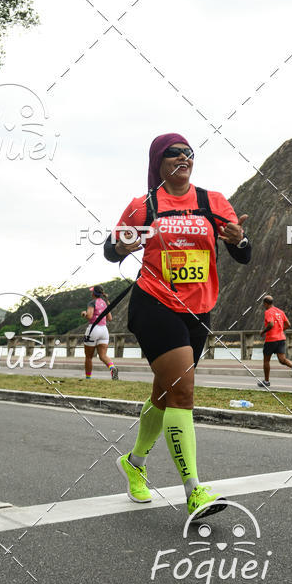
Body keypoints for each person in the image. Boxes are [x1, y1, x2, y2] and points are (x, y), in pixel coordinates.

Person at [104, 133, 251, 519]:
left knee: (165, 395)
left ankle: (134, 463)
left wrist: (239, 238)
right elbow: (110, 249)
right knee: (183, 394)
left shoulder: (212, 202)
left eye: (189, 153)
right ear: (159, 162)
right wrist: (122, 245)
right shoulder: (144, 205)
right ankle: (193, 491)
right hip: (154, 303)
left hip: (198, 311)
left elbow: (243, 253)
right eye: (174, 154)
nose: (183, 158)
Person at [258, 296, 292, 387]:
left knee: (266, 361)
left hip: (271, 339)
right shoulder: (280, 311)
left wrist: (263, 332)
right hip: (281, 338)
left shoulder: (268, 312)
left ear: (265, 303)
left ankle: (266, 381)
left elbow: (271, 324)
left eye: (263, 304)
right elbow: (288, 324)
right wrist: (280, 330)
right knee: (282, 359)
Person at [81, 285, 118, 380]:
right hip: (104, 330)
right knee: (103, 355)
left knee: (89, 357)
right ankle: (112, 367)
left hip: (93, 329)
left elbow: (89, 316)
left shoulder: (92, 303)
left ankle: (88, 378)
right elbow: (110, 318)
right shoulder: (105, 303)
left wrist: (84, 314)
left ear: (93, 293)